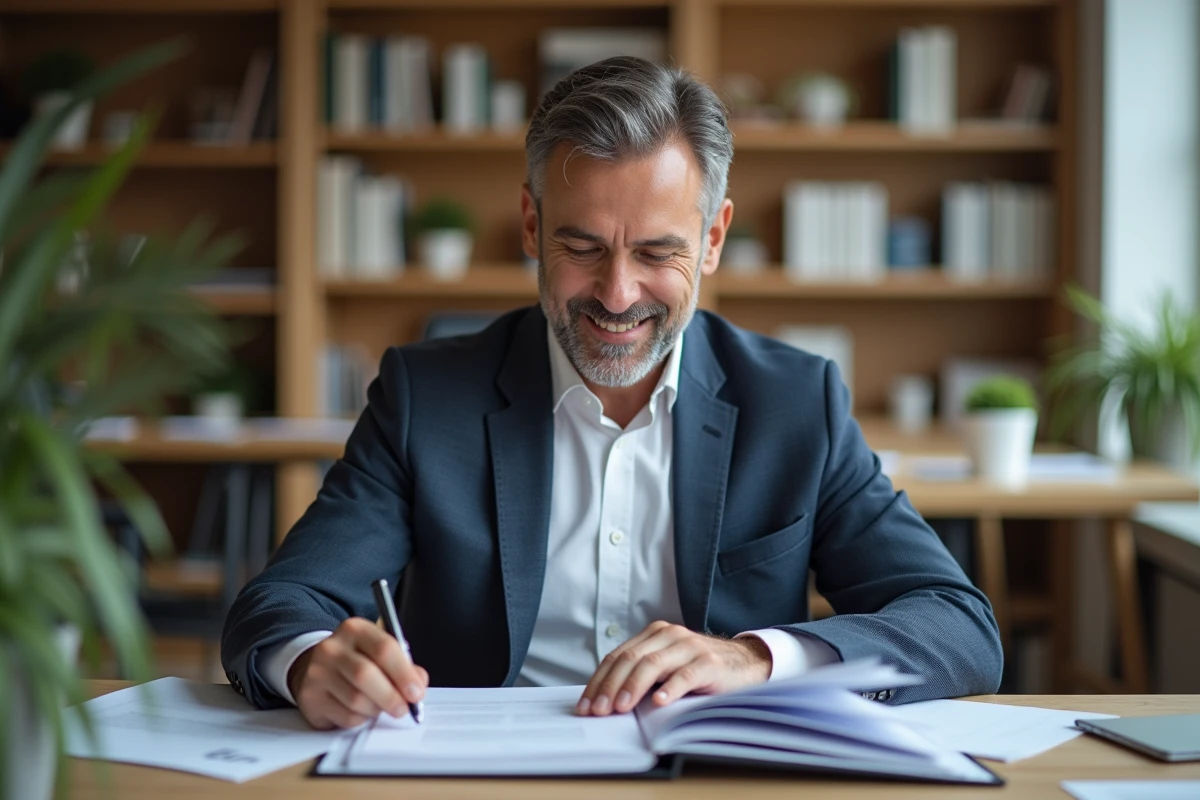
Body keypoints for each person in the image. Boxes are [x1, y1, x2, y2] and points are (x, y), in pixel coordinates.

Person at [221, 56, 1002, 730]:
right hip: (478, 772)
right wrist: (311, 663)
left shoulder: (798, 404)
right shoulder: (426, 398)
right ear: (531, 225)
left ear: (714, 238)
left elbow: (959, 627)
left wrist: (753, 658)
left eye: (659, 252)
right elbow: (280, 605)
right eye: (582, 247)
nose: (619, 294)